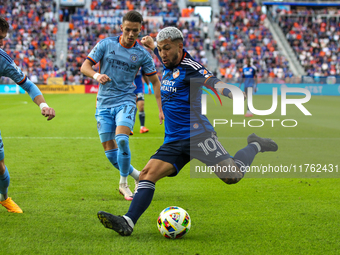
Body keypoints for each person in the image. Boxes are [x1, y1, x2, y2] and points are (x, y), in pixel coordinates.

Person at [96, 27, 278, 236]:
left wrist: (230, 91)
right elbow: (159, 49)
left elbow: (212, 82)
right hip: (173, 140)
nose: (162, 54)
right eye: (161, 50)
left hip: (198, 136)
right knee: (146, 175)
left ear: (180, 47)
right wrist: (151, 44)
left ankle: (255, 143)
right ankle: (128, 222)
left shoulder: (191, 67)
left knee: (232, 176)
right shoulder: (168, 59)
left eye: (167, 49)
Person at [80, 11, 163, 201]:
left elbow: (155, 81)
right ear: (121, 28)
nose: (131, 34)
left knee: (122, 139)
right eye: (128, 30)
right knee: (111, 154)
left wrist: (160, 108)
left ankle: (123, 184)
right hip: (103, 103)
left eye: (135, 30)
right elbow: (85, 66)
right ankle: (139, 176)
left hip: (126, 101)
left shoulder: (142, 54)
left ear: (140, 29)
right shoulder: (105, 44)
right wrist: (96, 76)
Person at [0, 16, 56, 213]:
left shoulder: (3, 59)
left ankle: (4, 198)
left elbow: (28, 84)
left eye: (3, 38)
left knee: (0, 167)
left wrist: (43, 106)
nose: (1, 42)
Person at [133, 67, 151, 134]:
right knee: (131, 108)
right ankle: (129, 128)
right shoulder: (128, 62)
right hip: (129, 89)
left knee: (141, 106)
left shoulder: (141, 65)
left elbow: (144, 75)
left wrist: (148, 86)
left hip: (139, 89)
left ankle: (142, 127)